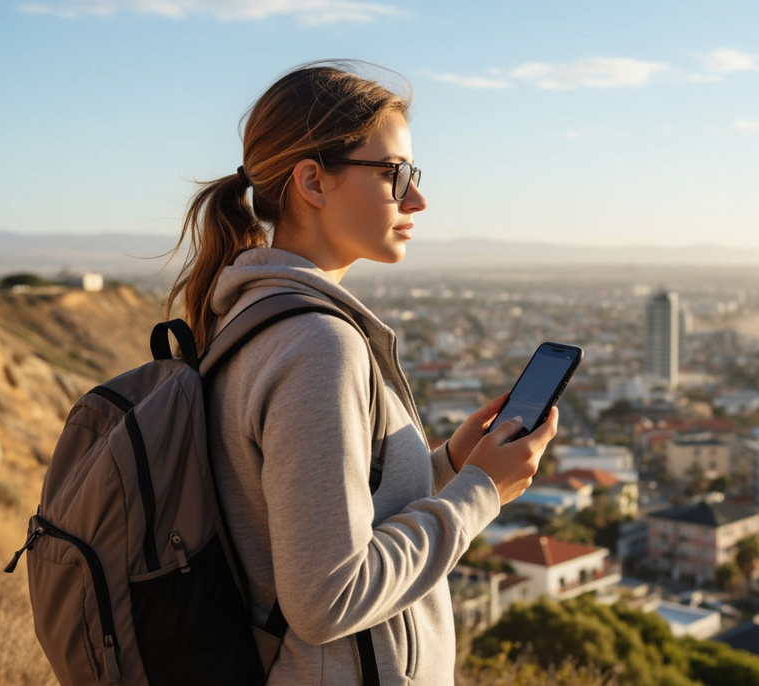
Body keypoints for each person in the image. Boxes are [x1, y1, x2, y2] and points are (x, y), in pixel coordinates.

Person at [162, 60, 558, 684]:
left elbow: (318, 518)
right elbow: (328, 598)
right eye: (395, 174)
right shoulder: (317, 345)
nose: (417, 198)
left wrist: (449, 464)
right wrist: (479, 494)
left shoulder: (253, 319)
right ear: (313, 182)